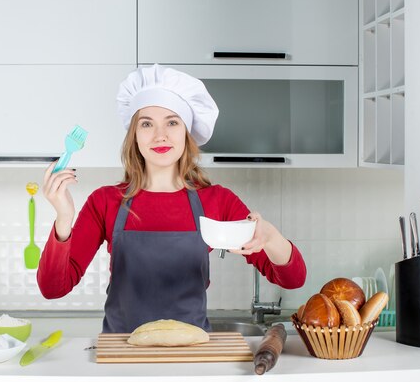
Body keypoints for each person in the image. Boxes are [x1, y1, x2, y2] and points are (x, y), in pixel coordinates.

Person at [37, 64, 306, 333]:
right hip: (122, 357)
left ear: (186, 133)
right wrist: (63, 218)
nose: (159, 135)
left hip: (190, 358)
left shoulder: (217, 201)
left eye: (172, 122)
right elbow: (53, 289)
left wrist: (270, 237)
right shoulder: (105, 201)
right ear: (135, 136)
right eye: (146, 124)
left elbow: (293, 279)